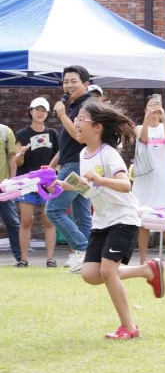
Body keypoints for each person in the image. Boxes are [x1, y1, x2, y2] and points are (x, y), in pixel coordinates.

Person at [72, 102, 165, 339]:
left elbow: (125, 185)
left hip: (123, 218)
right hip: (101, 220)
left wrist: (101, 180)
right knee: (91, 273)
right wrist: (68, 185)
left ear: (97, 127)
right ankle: (147, 270)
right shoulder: (84, 154)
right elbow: (91, 190)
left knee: (107, 271)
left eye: (81, 118)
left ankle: (129, 327)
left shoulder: (109, 153)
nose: (77, 123)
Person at [46, 65, 94, 272]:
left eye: (73, 81)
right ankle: (89, 260)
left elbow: (79, 136)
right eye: (66, 81)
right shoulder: (74, 106)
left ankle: (84, 250)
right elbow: (67, 142)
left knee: (54, 210)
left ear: (86, 84)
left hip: (77, 166)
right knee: (82, 213)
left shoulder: (87, 107)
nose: (68, 85)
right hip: (73, 163)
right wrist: (53, 164)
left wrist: (63, 115)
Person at [13, 98, 60, 267]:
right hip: (26, 183)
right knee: (26, 220)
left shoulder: (53, 134)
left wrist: (55, 171)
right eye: (36, 109)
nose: (40, 113)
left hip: (47, 183)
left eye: (43, 110)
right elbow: (17, 163)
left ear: (47, 114)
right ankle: (24, 259)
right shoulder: (21, 134)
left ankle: (50, 258)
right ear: (30, 111)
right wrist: (22, 153)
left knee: (49, 220)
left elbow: (58, 157)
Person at [133, 96, 165, 268]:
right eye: (150, 106)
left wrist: (164, 118)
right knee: (143, 218)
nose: (153, 109)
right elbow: (143, 138)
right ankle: (143, 259)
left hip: (163, 177)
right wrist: (147, 118)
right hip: (145, 177)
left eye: (156, 106)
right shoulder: (138, 127)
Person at [0, 120, 21, 264]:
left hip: (3, 185)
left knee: (12, 221)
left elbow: (12, 157)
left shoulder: (5, 131)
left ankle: (21, 257)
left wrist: (12, 181)